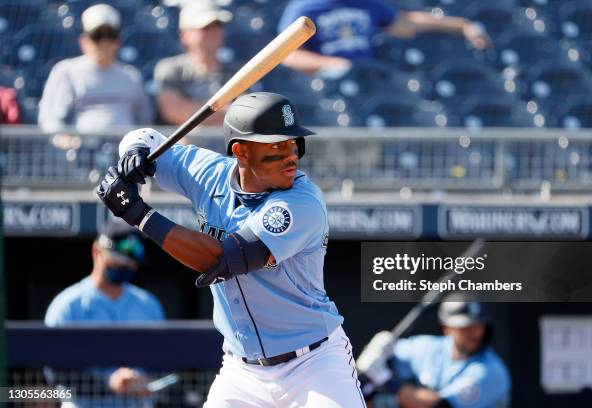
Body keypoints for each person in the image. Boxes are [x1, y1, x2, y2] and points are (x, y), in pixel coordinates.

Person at [96, 92, 366, 407]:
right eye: (277, 146)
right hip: (243, 372)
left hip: (314, 364)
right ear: (241, 151)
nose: (291, 155)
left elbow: (221, 258)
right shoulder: (208, 173)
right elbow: (145, 137)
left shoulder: (301, 202)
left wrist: (140, 215)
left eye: (294, 144)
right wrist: (135, 155)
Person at [45, 220, 164, 407]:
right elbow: (56, 374)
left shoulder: (148, 305)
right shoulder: (66, 306)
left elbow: (164, 365)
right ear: (97, 251)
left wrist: (147, 381)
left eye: (131, 262)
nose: (126, 266)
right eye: (118, 259)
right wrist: (108, 383)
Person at [357, 300, 511, 408]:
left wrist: (384, 377)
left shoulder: (491, 371)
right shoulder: (429, 348)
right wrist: (377, 351)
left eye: (478, 326)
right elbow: (384, 359)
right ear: (447, 328)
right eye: (465, 327)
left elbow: (439, 406)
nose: (474, 333)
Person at [278, 0, 492, 74]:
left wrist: (462, 25)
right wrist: (334, 65)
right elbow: (288, 55)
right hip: (330, 84)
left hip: (369, 77)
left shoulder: (365, 4)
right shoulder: (304, 7)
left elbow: (406, 24)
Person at [38, 4, 152, 133]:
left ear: (118, 41)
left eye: (110, 35)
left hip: (126, 151)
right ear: (83, 40)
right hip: (81, 151)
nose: (104, 43)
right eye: (97, 36)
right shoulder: (66, 72)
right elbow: (50, 119)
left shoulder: (131, 75)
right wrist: (64, 138)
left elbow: (144, 120)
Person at [154, 1, 232, 127]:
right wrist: (226, 112)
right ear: (185, 34)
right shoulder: (170, 69)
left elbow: (244, 113)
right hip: (185, 146)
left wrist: (194, 117)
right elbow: (174, 111)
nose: (213, 32)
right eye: (205, 28)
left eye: (218, 25)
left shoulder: (236, 71)